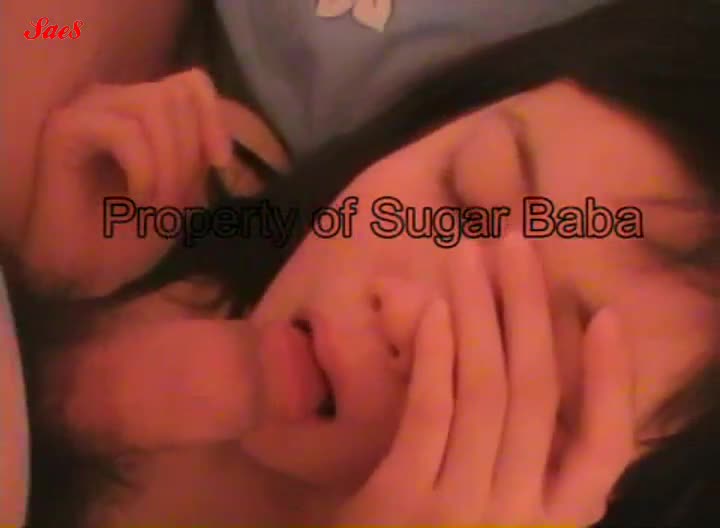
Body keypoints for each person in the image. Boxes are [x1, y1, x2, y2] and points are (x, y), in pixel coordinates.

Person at [9, 0, 720, 525]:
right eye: (465, 197)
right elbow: (45, 26)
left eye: (510, 358)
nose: (403, 310)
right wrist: (47, 300)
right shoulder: (206, 179)